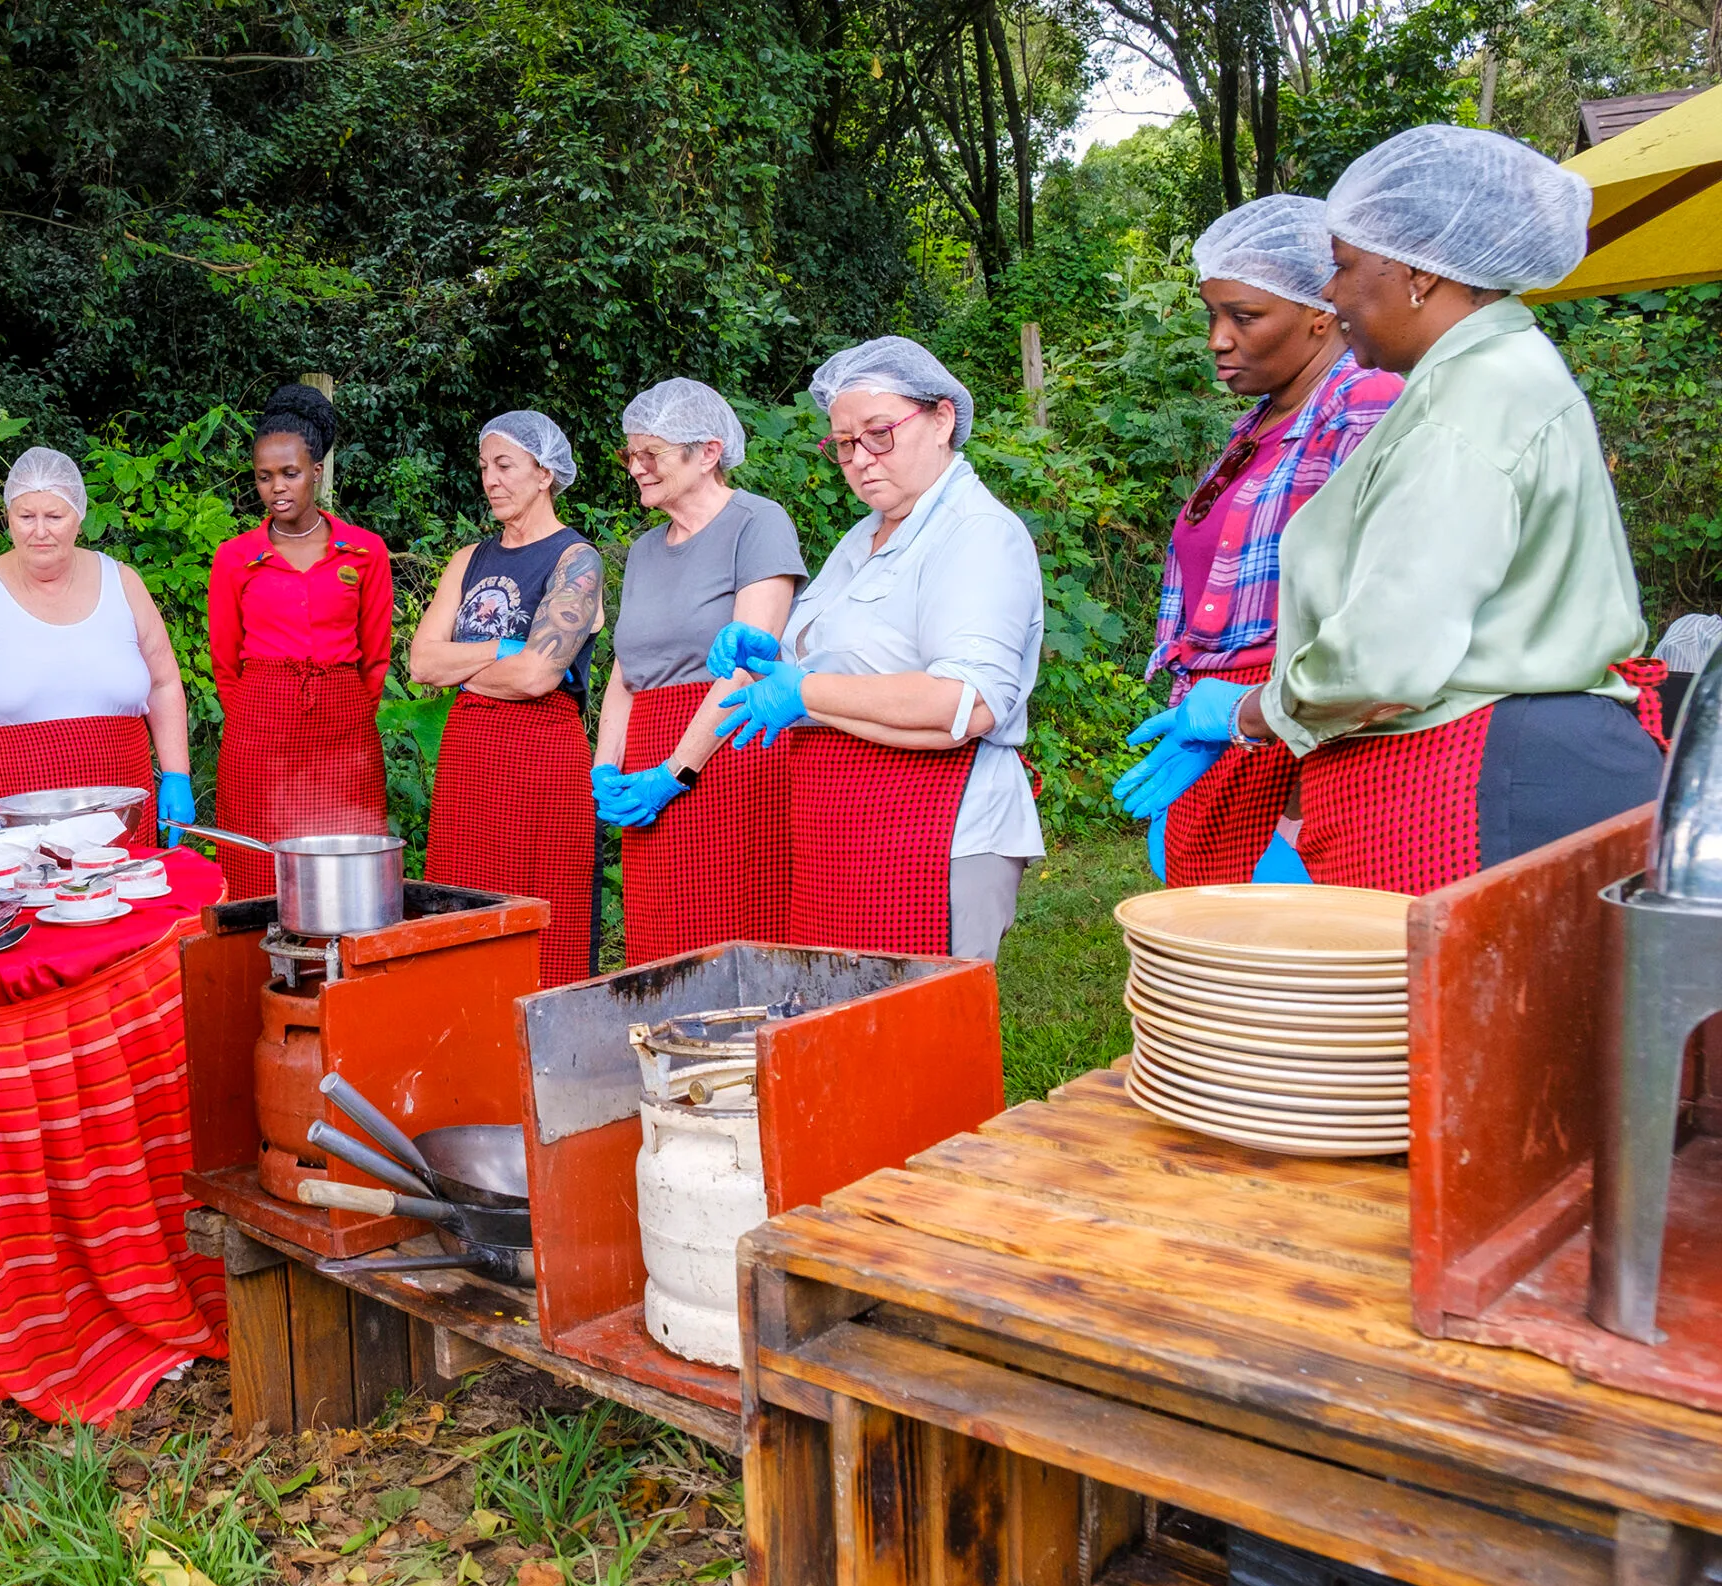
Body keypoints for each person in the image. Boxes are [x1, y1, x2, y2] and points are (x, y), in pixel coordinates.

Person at [1117, 126, 1665, 895]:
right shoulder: (1479, 380)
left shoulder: (1465, 406)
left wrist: (1249, 713)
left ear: (1413, 274)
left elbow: (1386, 653)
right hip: (1482, 760)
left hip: (1490, 769)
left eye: (1342, 268)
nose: (1332, 294)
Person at [711, 340, 1044, 961]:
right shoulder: (863, 536)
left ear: (942, 418)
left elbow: (967, 705)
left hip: (937, 826)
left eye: (879, 434)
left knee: (916, 1027)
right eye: (843, 444)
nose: (860, 459)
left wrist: (803, 691)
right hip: (843, 818)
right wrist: (777, 663)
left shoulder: (977, 533)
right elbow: (847, 662)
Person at [1144, 195, 1404, 887]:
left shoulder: (1364, 404)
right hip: (1221, 729)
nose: (1217, 340)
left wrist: (1295, 810)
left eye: (1245, 316)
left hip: (1298, 735)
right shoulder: (1256, 423)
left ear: (1321, 310)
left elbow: (1375, 617)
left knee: (1279, 961)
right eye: (1213, 315)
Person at [595, 378, 808, 964]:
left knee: (729, 938)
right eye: (630, 454)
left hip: (731, 749)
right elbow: (627, 667)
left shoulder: (757, 523)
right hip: (649, 753)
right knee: (658, 943)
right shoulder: (642, 550)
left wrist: (675, 773)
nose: (636, 467)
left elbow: (745, 668)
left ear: (708, 452)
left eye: (651, 453)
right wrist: (605, 767)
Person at [0, 446, 193, 846]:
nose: (39, 531)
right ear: (8, 517)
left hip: (120, 812)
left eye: (54, 516)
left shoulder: (123, 584)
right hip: (5, 814)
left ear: (79, 517)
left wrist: (177, 775)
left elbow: (163, 683)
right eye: (26, 517)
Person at [408, 412, 604, 984]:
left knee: (546, 911)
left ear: (544, 473)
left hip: (543, 757)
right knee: (461, 909)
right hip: (469, 758)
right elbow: (421, 661)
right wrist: (500, 648)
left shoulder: (575, 559)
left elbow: (537, 677)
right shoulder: (470, 559)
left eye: (505, 465)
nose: (491, 480)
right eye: (484, 467)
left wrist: (463, 669)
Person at [207, 383, 395, 900]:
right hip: (259, 727)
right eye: (264, 477)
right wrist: (253, 711)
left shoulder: (364, 551)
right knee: (257, 860)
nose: (277, 488)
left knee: (344, 864)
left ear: (316, 471)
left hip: (343, 728)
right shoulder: (235, 558)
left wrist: (349, 706)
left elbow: (376, 653)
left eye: (290, 473)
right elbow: (225, 660)